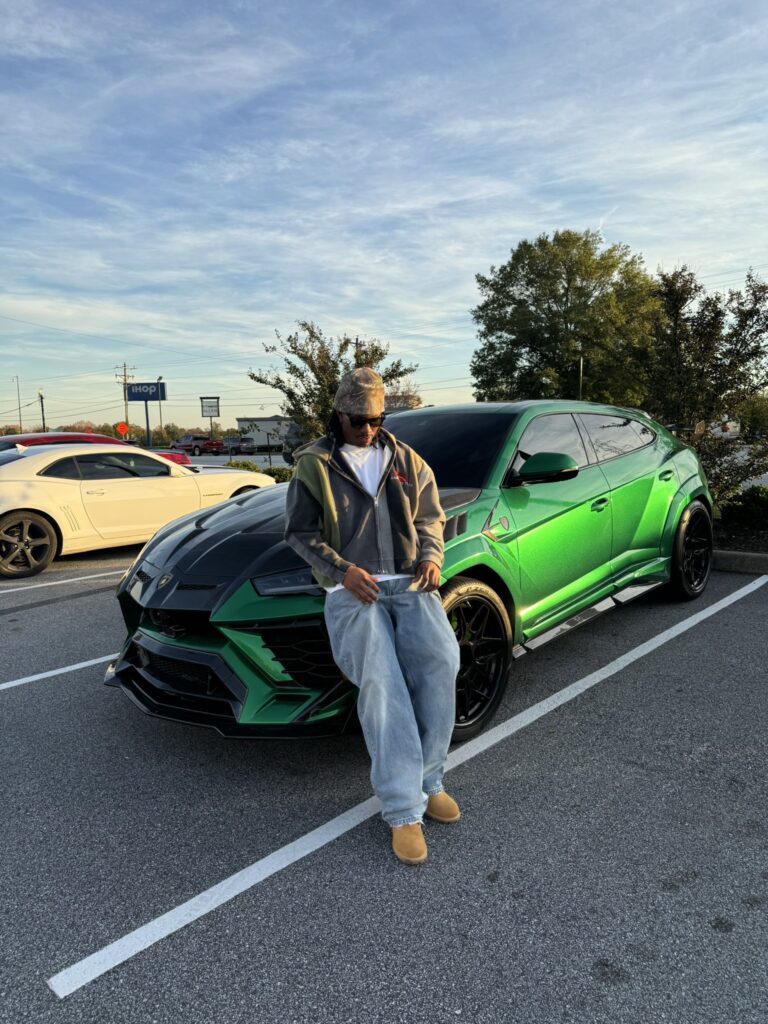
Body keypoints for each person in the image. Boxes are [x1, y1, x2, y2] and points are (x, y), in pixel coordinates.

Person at [284, 367, 461, 864]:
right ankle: (404, 809)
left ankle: (431, 782)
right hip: (354, 592)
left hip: (410, 583)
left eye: (376, 419)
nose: (367, 429)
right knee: (383, 687)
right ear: (339, 414)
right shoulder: (314, 465)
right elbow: (299, 533)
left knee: (442, 664)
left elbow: (430, 518)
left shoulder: (406, 459)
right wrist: (342, 572)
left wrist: (431, 557)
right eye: (358, 419)